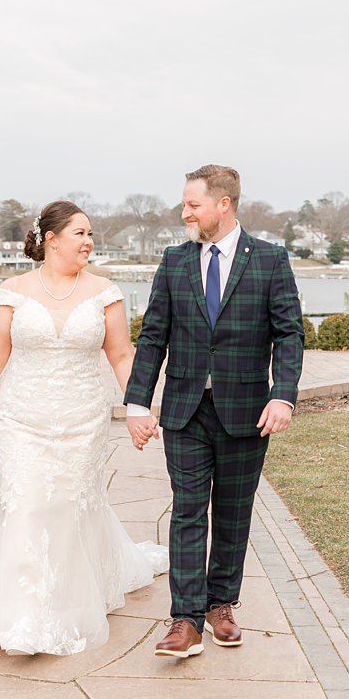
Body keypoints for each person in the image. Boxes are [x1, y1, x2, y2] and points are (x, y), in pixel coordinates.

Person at [0, 200, 169, 656]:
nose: (89, 242)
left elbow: (122, 356)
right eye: (80, 233)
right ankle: (23, 612)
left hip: (83, 417)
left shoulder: (105, 292)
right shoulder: (12, 291)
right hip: (23, 416)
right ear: (51, 239)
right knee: (25, 506)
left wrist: (139, 408)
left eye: (90, 234)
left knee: (68, 505)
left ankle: (65, 600)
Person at [124, 165, 304, 658]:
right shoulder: (175, 261)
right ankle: (185, 619)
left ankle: (220, 603)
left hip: (247, 410)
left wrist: (282, 394)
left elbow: (289, 333)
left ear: (222, 204)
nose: (185, 212)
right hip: (184, 410)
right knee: (187, 512)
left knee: (233, 514)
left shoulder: (269, 260)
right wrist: (138, 402)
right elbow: (153, 335)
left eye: (192, 204)